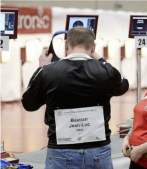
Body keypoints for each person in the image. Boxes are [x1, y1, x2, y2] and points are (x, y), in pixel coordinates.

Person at [22, 27, 129, 169]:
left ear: (66, 45)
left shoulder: (47, 71)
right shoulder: (106, 70)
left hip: (60, 152)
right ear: (93, 47)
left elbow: (29, 103)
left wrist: (41, 68)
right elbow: (123, 85)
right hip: (98, 150)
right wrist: (100, 59)